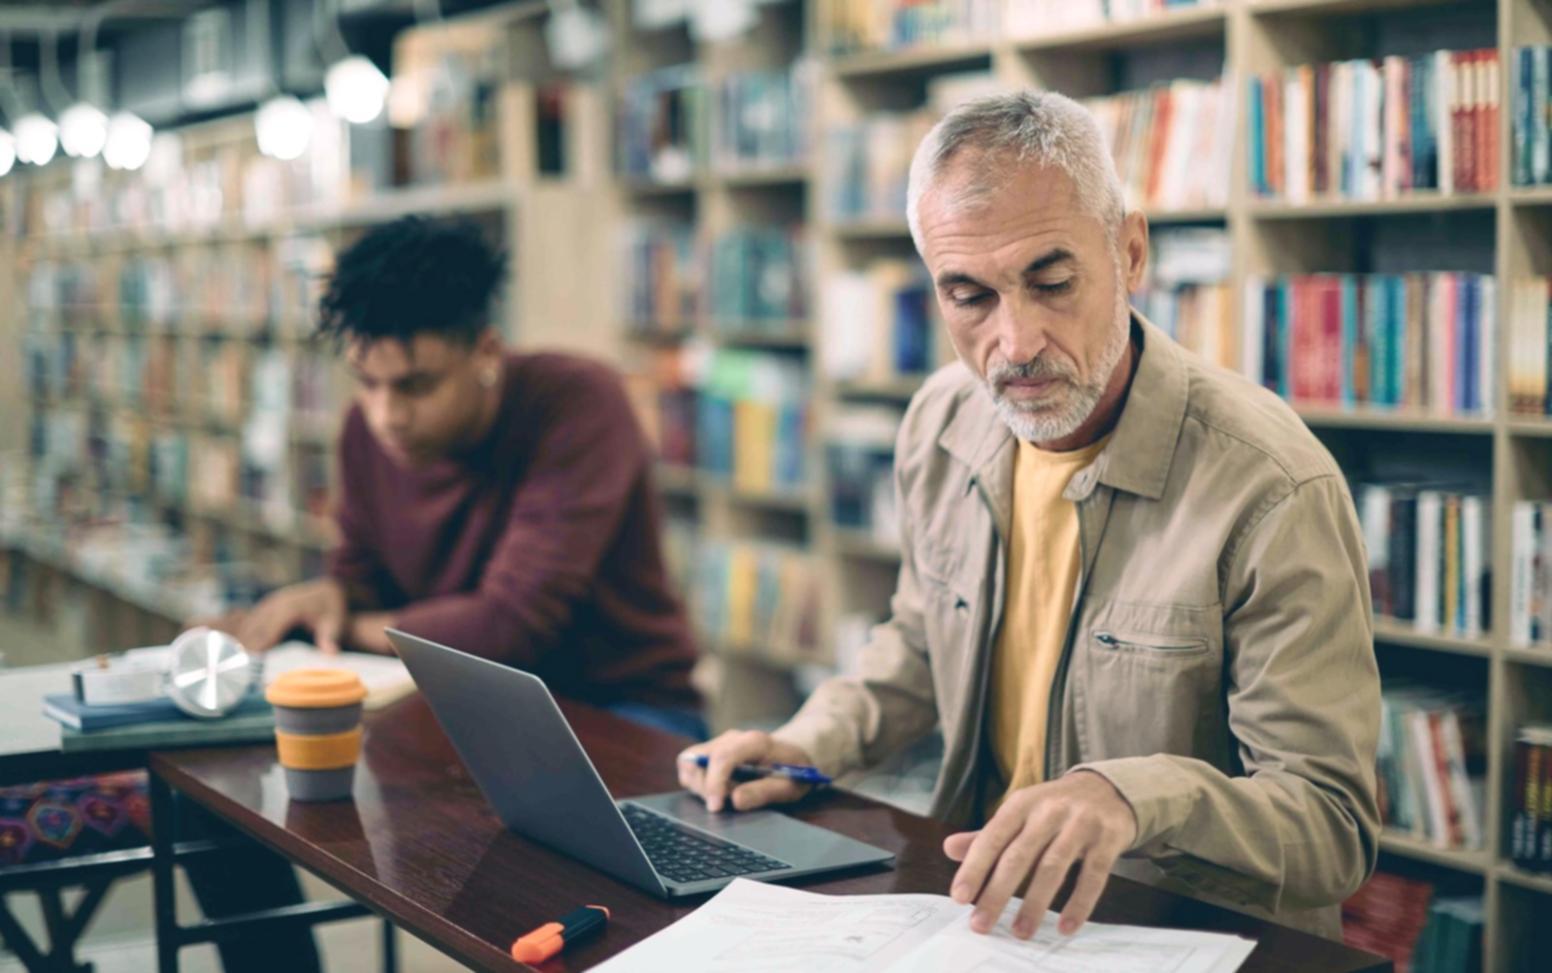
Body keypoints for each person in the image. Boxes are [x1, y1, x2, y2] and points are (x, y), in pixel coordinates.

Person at [680, 90, 1380, 943]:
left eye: (1051, 283)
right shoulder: (941, 419)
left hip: (1177, 933)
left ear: (1130, 252)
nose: (1015, 343)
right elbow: (919, 642)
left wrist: (1132, 797)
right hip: (981, 912)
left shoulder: (1272, 485)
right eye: (969, 297)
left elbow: (1332, 823)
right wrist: (806, 745)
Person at [209, 215, 703, 736]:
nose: (387, 417)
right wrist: (329, 597)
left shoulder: (578, 402)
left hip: (619, 707)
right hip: (453, 698)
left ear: (486, 352)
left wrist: (344, 627)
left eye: (416, 386)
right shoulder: (363, 429)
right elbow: (363, 578)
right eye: (367, 383)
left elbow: (509, 627)